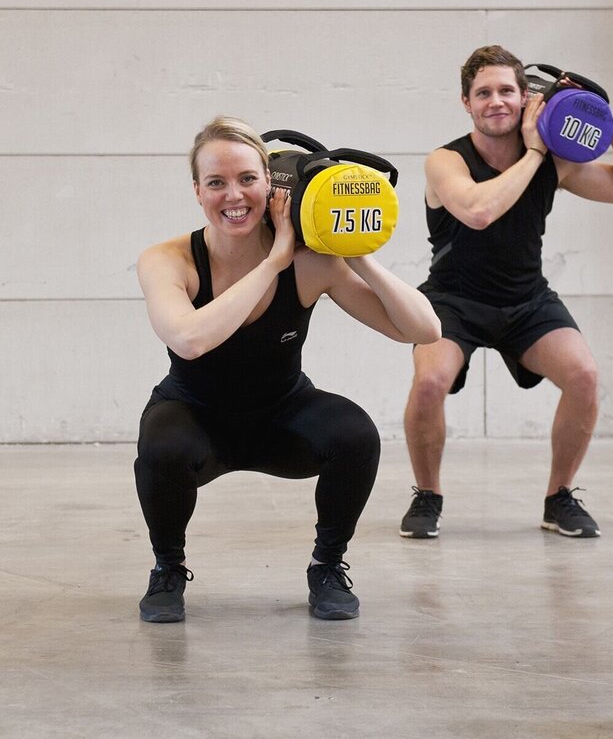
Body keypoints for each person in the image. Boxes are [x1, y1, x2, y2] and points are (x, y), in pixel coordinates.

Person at [134, 116, 440, 623]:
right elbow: (189, 340)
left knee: (355, 433)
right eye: (216, 182)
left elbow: (423, 330)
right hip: (194, 418)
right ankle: (168, 569)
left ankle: (327, 566)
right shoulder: (167, 260)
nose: (234, 195)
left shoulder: (311, 262)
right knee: (160, 445)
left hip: (281, 417)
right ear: (197, 191)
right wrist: (272, 263)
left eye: (247, 179)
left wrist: (353, 251)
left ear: (272, 184)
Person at [400, 45, 613, 540]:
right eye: (483, 93)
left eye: (506, 91)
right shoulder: (445, 161)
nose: (495, 101)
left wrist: (605, 117)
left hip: (525, 299)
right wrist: (538, 150)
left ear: (526, 99)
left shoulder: (555, 164)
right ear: (466, 102)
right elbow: (478, 211)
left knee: (583, 375)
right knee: (430, 382)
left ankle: (558, 497)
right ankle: (428, 495)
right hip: (452, 301)